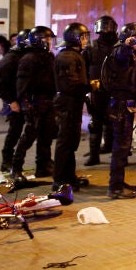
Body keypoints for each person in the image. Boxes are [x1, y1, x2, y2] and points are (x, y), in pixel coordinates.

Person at [102, 23, 136, 199]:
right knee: (120, 147)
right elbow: (122, 55)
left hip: (125, 106)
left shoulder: (132, 55)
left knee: (124, 147)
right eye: (135, 38)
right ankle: (115, 187)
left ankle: (119, 182)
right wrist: (127, 45)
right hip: (120, 106)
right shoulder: (120, 52)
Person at [11, 26, 58, 185]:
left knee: (46, 136)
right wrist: (25, 104)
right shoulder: (29, 58)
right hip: (34, 102)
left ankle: (43, 166)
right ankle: (16, 168)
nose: (49, 42)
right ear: (38, 40)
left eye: (50, 39)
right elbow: (21, 84)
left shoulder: (49, 56)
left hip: (48, 101)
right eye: (46, 39)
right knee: (28, 137)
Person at [52, 23, 93, 192]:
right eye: (83, 37)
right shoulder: (67, 57)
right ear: (75, 38)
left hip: (73, 103)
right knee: (65, 143)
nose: (86, 40)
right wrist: (90, 86)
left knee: (71, 142)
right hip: (67, 104)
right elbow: (70, 85)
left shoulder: (74, 55)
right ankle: (60, 181)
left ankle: (69, 177)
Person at [82, 15, 119, 166]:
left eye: (108, 27)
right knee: (96, 123)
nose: (106, 31)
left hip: (116, 91)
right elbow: (84, 68)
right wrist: (87, 86)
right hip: (97, 91)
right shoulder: (91, 48)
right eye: (104, 27)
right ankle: (94, 154)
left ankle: (117, 153)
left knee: (116, 123)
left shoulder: (119, 46)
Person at [0, 30, 30, 171]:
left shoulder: (27, 56)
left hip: (27, 100)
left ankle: (14, 161)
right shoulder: (11, 59)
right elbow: (1, 85)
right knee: (15, 131)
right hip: (16, 101)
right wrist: (11, 101)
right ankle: (7, 161)